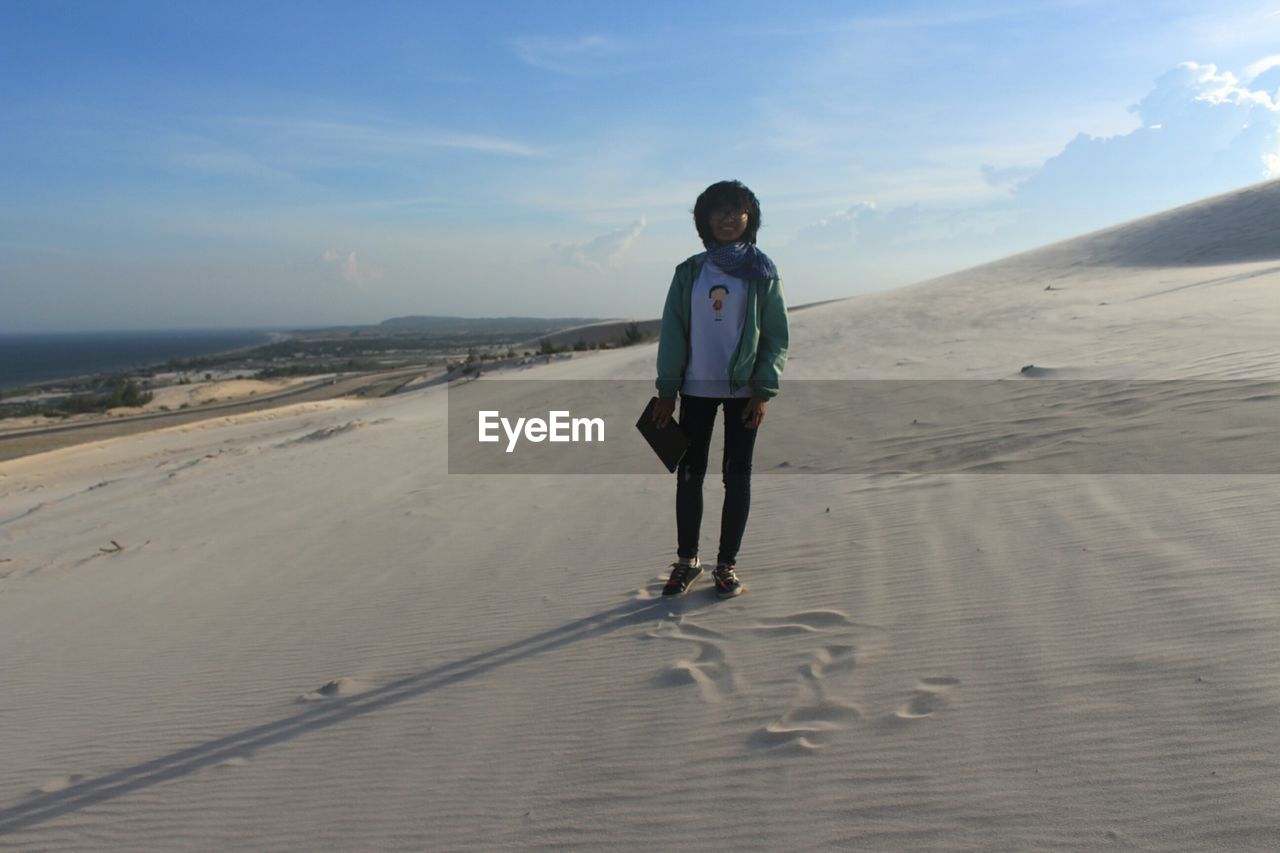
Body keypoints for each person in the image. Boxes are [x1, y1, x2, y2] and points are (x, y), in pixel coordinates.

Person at [652, 180, 789, 599]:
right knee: (690, 476)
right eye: (719, 211)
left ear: (750, 217)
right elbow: (673, 332)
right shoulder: (689, 271)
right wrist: (667, 389)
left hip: (743, 392)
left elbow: (775, 336)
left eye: (737, 210)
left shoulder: (762, 272)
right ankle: (687, 561)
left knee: (737, 477)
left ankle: (725, 565)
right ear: (704, 220)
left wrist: (763, 389)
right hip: (694, 389)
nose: (729, 218)